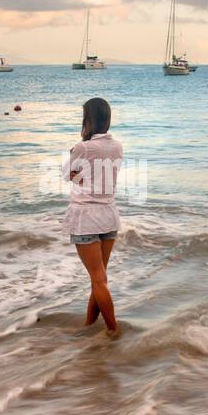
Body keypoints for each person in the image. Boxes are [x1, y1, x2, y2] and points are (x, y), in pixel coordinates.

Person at [64, 97, 122, 336]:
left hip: (86, 217)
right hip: (108, 216)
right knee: (99, 279)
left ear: (88, 119)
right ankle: (89, 326)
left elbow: (70, 176)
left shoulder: (83, 147)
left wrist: (76, 163)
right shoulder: (117, 145)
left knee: (98, 280)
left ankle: (113, 332)